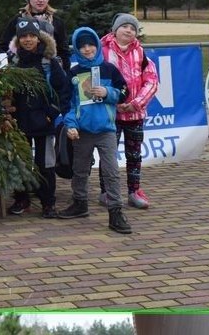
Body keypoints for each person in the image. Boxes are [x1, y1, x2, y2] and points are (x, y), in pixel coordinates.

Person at [58, 27, 132, 235]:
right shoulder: (73, 74)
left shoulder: (109, 69)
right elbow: (67, 103)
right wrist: (71, 124)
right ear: (77, 49)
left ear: (97, 46)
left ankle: (115, 211)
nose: (87, 49)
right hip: (82, 131)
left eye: (91, 44)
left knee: (111, 171)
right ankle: (79, 203)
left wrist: (108, 92)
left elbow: (124, 92)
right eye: (82, 46)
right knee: (80, 169)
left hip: (106, 130)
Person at [9, 18, 71, 219]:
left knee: (46, 164)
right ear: (18, 39)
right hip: (19, 122)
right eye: (23, 36)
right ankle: (22, 199)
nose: (28, 40)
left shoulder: (48, 62)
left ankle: (48, 203)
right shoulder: (13, 62)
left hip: (44, 123)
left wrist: (51, 113)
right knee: (21, 163)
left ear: (38, 38)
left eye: (32, 36)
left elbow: (63, 90)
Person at [99, 14, 159, 210]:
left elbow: (151, 81)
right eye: (124, 26)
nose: (128, 30)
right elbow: (95, 78)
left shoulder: (141, 54)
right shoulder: (102, 51)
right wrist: (112, 99)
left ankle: (134, 191)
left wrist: (136, 103)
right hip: (110, 114)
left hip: (135, 114)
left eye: (133, 28)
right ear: (115, 30)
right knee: (108, 155)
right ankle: (107, 192)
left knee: (134, 155)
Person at [0, 0, 70, 69]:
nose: (41, 0)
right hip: (23, 71)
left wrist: (64, 73)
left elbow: (64, 52)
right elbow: (3, 47)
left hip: (51, 71)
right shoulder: (17, 20)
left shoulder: (57, 22)